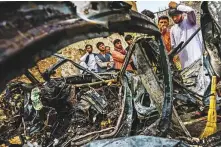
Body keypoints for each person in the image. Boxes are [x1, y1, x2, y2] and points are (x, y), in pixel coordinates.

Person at [168, 1, 204, 69]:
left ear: (181, 14)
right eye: (172, 17)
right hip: (184, 63)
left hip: (197, 58)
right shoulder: (172, 29)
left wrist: (177, 6)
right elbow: (174, 46)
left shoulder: (190, 21)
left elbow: (190, 10)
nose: (175, 18)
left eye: (176, 16)